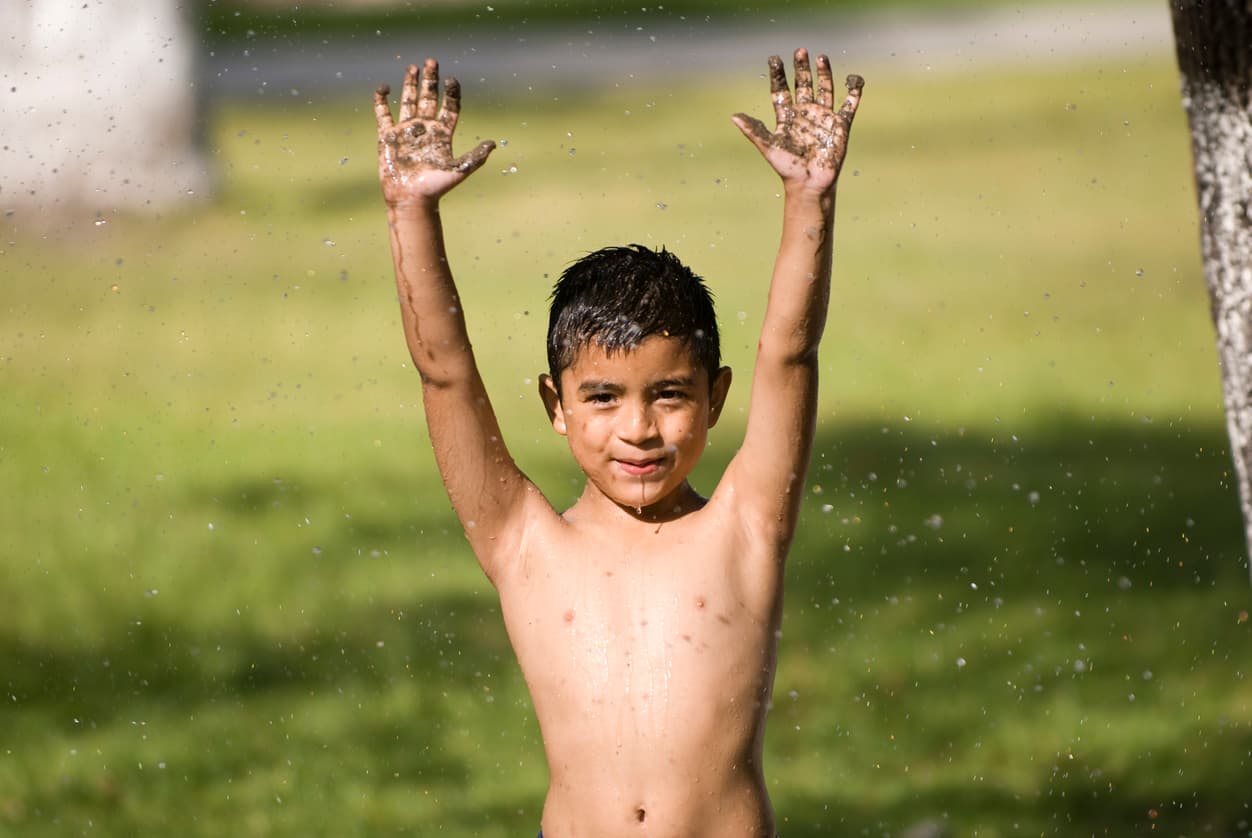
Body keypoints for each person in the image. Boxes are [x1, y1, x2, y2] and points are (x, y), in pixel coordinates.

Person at [374, 49, 862, 838]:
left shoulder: (746, 527)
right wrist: (410, 212)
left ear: (716, 398)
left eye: (669, 395)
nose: (639, 429)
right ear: (555, 405)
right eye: (602, 398)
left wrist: (811, 200)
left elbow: (791, 352)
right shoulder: (524, 543)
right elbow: (445, 374)